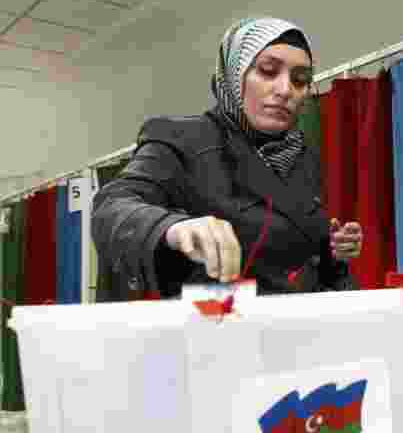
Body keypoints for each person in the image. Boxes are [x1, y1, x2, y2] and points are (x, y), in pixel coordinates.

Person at [92, 17, 363, 301]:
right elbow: (111, 207)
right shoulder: (182, 138)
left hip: (293, 330)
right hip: (210, 333)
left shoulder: (301, 156)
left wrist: (334, 252)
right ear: (234, 74)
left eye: (300, 80)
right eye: (268, 71)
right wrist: (172, 228)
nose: (285, 90)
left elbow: (295, 251)